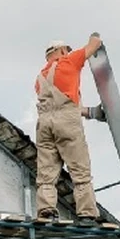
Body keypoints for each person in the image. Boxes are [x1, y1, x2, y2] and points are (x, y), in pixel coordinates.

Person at [34, 34, 107, 226]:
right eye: (67, 50)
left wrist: (90, 112)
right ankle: (87, 214)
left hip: (44, 124)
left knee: (46, 173)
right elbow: (94, 45)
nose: (69, 52)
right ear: (61, 51)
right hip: (67, 123)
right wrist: (95, 36)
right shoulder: (69, 61)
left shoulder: (40, 78)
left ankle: (46, 212)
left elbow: (60, 104)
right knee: (79, 169)